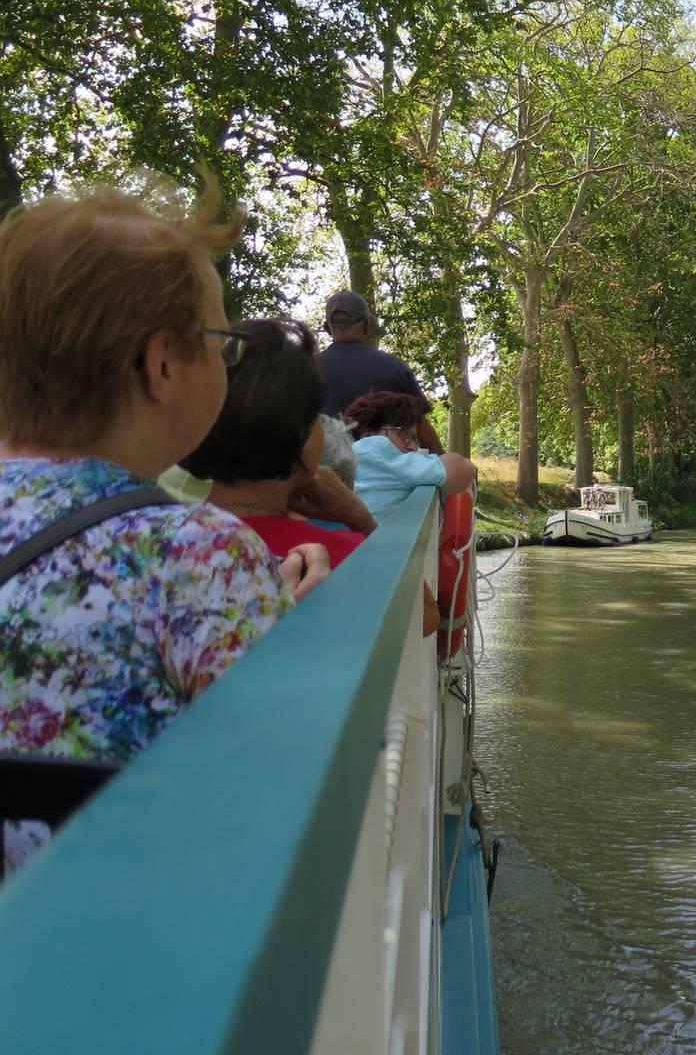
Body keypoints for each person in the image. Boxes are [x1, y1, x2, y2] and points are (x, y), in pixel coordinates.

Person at [0, 185, 326, 873]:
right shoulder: (201, 556)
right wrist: (278, 627)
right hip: (110, 925)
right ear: (164, 365)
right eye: (222, 345)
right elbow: (287, 785)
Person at [182, 319, 376, 569]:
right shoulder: (340, 555)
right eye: (316, 416)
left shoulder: (150, 542)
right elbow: (415, 594)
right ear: (300, 436)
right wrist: (361, 519)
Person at [318, 290, 444, 453]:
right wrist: (443, 463)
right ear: (367, 326)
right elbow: (421, 428)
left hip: (324, 465)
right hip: (382, 467)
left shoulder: (306, 369)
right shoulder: (394, 367)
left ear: (327, 328)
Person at [344, 391, 476, 516]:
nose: (412, 446)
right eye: (404, 434)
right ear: (369, 434)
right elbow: (464, 468)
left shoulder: (343, 456)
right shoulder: (380, 453)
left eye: (414, 439)